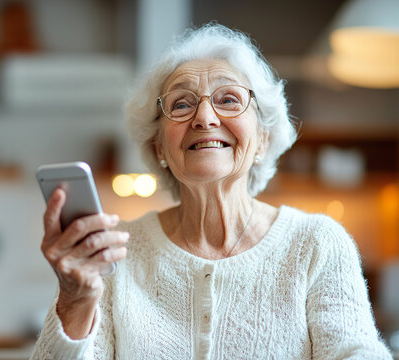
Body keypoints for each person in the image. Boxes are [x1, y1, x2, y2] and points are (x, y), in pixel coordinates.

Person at [31, 23, 392, 359]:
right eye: (182, 104)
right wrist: (75, 301)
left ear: (263, 139)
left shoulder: (317, 244)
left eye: (229, 99)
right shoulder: (115, 256)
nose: (205, 118)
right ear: (159, 148)